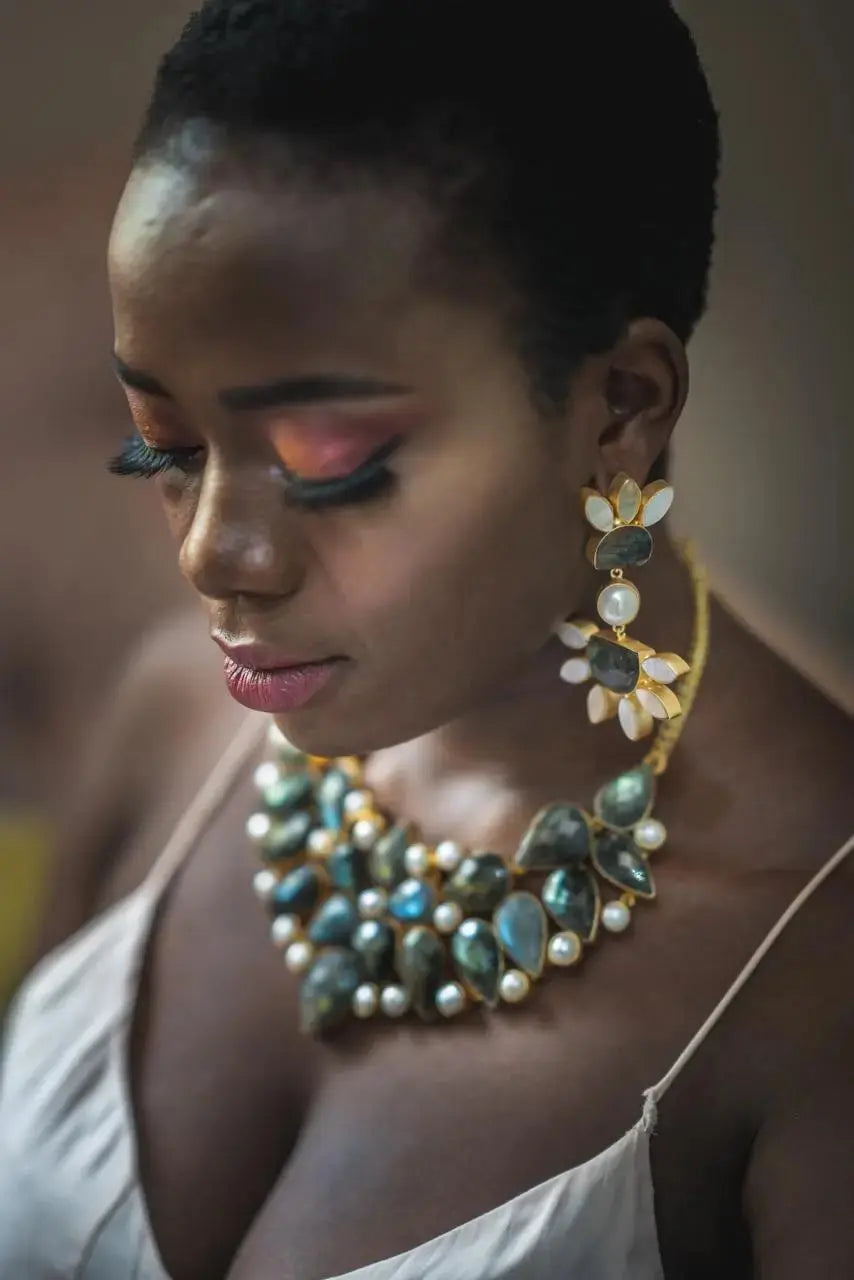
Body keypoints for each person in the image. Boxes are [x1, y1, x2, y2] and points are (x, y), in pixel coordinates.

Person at [1, 1, 852, 1277]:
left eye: (334, 465)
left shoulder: (813, 962)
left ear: (619, 407)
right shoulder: (174, 717)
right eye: (162, 445)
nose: (212, 553)